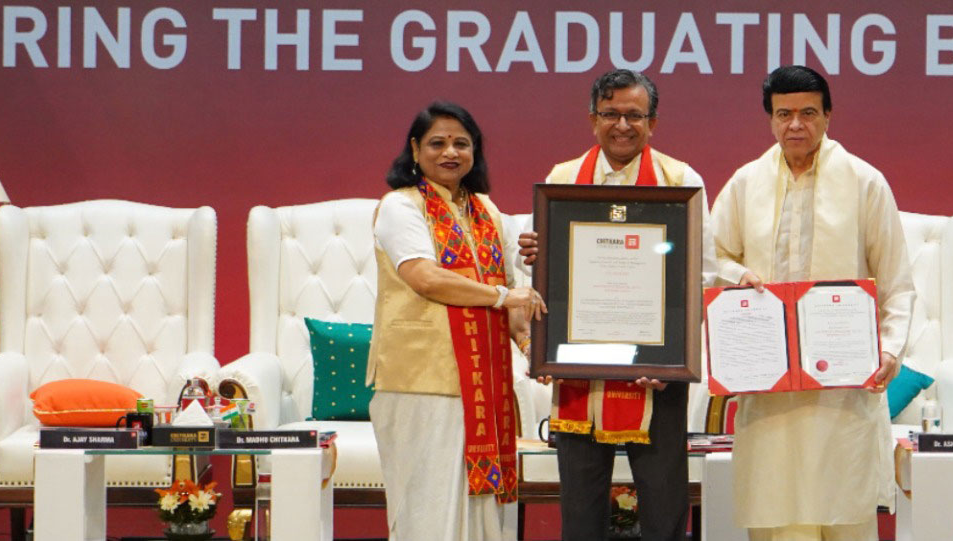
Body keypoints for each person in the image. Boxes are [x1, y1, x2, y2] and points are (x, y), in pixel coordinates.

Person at [710, 65, 915, 540]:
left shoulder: (864, 181)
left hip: (841, 390)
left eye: (808, 113)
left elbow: (896, 281)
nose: (795, 125)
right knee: (778, 514)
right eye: (784, 114)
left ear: (828, 116)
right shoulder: (746, 183)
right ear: (770, 119)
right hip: (770, 390)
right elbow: (710, 256)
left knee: (845, 513)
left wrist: (889, 349)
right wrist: (739, 275)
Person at [517, 69, 717, 541]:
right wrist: (533, 255)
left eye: (634, 115)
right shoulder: (563, 180)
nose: (622, 125)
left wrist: (671, 356)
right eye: (610, 114)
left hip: (659, 370)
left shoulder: (680, 180)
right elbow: (544, 275)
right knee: (581, 506)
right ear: (592, 119)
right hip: (580, 366)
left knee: (663, 501)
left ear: (653, 122)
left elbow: (702, 274)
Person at [369, 101, 546, 540]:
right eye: (437, 143)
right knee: (428, 507)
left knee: (480, 510)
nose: (450, 152)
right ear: (415, 149)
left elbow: (510, 288)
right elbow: (425, 278)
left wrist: (530, 348)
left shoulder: (485, 209)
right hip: (421, 383)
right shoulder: (400, 206)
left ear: (475, 152)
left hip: (483, 383)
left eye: (461, 144)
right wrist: (502, 296)